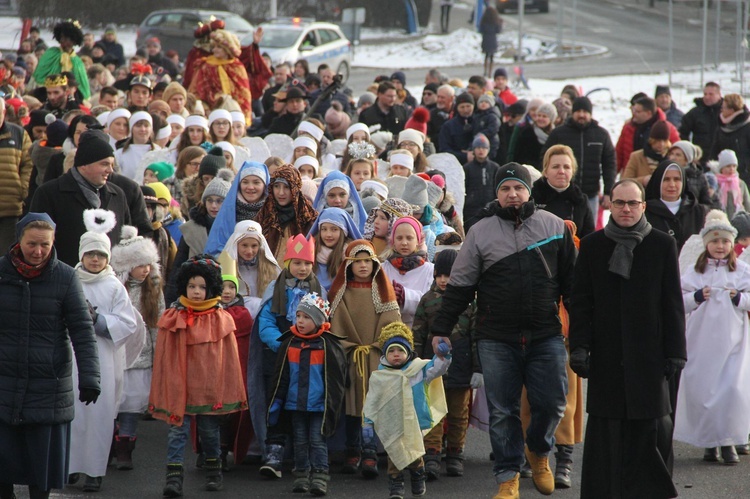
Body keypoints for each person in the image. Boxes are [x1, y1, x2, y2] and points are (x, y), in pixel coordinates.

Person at [432, 163, 576, 498]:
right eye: (505, 189)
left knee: (553, 403)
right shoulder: (480, 231)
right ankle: (508, 476)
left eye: (518, 188)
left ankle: (538, 453)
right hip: (497, 337)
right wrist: (441, 328)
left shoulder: (554, 226)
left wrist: (582, 334)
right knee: (502, 411)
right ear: (496, 194)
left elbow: (573, 287)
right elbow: (460, 287)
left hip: (545, 335)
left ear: (529, 191)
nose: (512, 195)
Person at [569, 178, 687, 499]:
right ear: (609, 205)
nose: (626, 209)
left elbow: (672, 302)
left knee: (652, 431)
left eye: (632, 203)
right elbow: (581, 301)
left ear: (643, 206)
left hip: (651, 356)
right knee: (607, 434)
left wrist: (676, 351)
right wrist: (579, 346)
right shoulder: (593, 245)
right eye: (619, 203)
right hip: (607, 355)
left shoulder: (662, 244)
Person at [0, 213, 100, 499]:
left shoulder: (66, 277)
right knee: (2, 466)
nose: (38, 251)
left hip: (48, 385)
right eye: (32, 244)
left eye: (45, 244)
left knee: (41, 473)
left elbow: (82, 329)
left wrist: (91, 377)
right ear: (18, 240)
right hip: (4, 382)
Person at [149, 254, 248, 497]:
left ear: (211, 288)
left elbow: (228, 360)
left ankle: (214, 471)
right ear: (183, 286)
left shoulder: (220, 317)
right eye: (191, 286)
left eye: (202, 287)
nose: (196, 291)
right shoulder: (174, 316)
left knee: (209, 433)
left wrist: (222, 389)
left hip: (207, 388)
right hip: (179, 387)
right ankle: (174, 479)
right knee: (176, 433)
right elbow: (164, 355)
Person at [68, 210, 143, 492]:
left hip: (102, 358)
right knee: (72, 413)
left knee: (98, 416)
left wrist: (99, 321)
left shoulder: (113, 286)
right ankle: (71, 465)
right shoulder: (69, 281)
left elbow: (128, 322)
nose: (95, 259)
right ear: (82, 255)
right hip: (72, 357)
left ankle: (95, 470)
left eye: (100, 254)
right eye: (90, 254)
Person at [675, 210, 750, 464]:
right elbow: (678, 301)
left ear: (732, 244)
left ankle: (728, 440)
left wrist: (739, 298)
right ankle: (709, 443)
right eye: (715, 241)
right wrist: (696, 297)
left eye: (725, 241)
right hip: (703, 340)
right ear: (707, 244)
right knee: (705, 392)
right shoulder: (696, 272)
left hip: (733, 341)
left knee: (732, 390)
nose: (720, 246)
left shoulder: (741, 270)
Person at [327, 239, 401, 476]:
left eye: (366, 261)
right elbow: (334, 327)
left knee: (371, 409)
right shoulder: (341, 294)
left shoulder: (382, 290)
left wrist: (381, 348)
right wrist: (347, 347)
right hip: (350, 357)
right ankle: (352, 451)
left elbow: (393, 325)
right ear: (348, 265)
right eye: (356, 261)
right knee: (351, 409)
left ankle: (370, 452)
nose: (362, 266)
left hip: (376, 358)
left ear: (374, 263)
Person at [252, 235, 322, 480]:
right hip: (280, 358)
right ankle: (274, 453)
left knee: (303, 404)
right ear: (287, 262)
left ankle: (301, 455)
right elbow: (267, 321)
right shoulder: (276, 287)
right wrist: (280, 343)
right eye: (297, 263)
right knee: (278, 403)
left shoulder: (318, 289)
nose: (302, 268)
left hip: (307, 358)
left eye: (307, 264)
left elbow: (325, 321)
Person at [267, 293, 347, 496]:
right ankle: (301, 475)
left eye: (307, 317)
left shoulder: (328, 345)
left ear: (319, 320)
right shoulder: (290, 343)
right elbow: (281, 376)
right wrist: (277, 399)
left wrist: (332, 404)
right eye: (299, 316)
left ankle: (320, 476)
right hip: (295, 404)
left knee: (317, 440)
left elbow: (337, 380)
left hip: (319, 405)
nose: (300, 321)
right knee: (300, 440)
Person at [363, 322, 451, 499]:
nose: (396, 355)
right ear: (385, 354)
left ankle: (418, 473)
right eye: (392, 351)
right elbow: (371, 400)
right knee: (393, 453)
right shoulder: (380, 377)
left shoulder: (418, 370)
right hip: (391, 423)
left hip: (414, 420)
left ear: (409, 352)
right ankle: (396, 485)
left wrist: (443, 356)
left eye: (401, 351)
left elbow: (437, 369)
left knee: (413, 452)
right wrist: (367, 423)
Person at [413, 248, 478, 480]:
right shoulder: (427, 300)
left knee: (459, 413)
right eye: (440, 275)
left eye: (449, 275)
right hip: (432, 368)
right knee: (433, 411)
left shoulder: (469, 302)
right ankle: (432, 454)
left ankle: (455, 454)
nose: (444, 280)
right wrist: (416, 363)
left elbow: (475, 336)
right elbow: (418, 334)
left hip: (461, 365)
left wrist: (477, 368)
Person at [30, 129, 131, 266]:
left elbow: (124, 239)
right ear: (84, 165)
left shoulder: (117, 195)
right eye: (104, 164)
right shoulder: (49, 193)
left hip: (108, 281)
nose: (110, 170)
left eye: (111, 164)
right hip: (64, 279)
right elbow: (38, 240)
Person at [110, 225, 164, 471]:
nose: (147, 269)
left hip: (141, 359)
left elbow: (157, 324)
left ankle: (125, 450)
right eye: (142, 264)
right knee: (112, 405)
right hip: (116, 356)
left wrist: (158, 355)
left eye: (149, 264)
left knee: (132, 406)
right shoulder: (114, 288)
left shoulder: (152, 288)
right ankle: (109, 442)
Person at [542, 96, 616, 217]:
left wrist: (608, 192)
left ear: (590, 114)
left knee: (588, 231)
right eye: (578, 111)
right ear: (572, 113)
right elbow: (545, 159)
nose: (581, 115)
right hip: (562, 193)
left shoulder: (601, 135)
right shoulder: (559, 133)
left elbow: (610, 164)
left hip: (590, 195)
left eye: (585, 112)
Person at [205, 161, 270, 257]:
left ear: (264, 186)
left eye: (256, 182)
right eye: (245, 182)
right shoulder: (228, 211)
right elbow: (215, 247)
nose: (250, 187)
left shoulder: (272, 213)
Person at [255, 165, 318, 262]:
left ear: (294, 188)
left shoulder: (308, 218)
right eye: (277, 186)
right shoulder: (264, 215)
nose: (281, 193)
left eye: (286, 187)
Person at [381, 216, 435, 327]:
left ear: (418, 240)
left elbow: (432, 302)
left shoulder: (430, 270)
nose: (404, 243)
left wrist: (405, 296)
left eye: (409, 238)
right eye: (399, 238)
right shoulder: (382, 268)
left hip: (419, 332)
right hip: (387, 330)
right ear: (393, 241)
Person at [532, 144, 595, 239]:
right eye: (555, 167)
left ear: (573, 171)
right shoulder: (533, 198)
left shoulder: (581, 201)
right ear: (545, 171)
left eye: (566, 167)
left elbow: (589, 237)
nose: (561, 171)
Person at [645, 161, 707, 251]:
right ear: (658, 181)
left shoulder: (698, 211)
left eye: (677, 179)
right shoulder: (645, 211)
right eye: (666, 179)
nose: (672, 185)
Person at [0, 97, 33, 250]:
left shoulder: (19, 134)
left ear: (4, 112)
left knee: (7, 254)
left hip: (11, 207)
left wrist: (23, 189)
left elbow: (29, 163)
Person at [616, 96, 679, 174]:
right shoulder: (628, 128)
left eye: (638, 112)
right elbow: (618, 154)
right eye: (633, 110)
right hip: (630, 176)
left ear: (648, 113)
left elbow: (677, 151)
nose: (633, 114)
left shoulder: (668, 129)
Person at [33, 20, 90, 100]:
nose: (63, 40)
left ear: (73, 41)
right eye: (62, 37)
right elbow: (40, 74)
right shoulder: (51, 53)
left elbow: (82, 84)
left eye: (67, 38)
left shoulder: (78, 61)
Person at [710, 94, 750, 184]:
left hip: (745, 176)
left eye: (723, 107)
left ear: (731, 110)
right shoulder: (721, 127)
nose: (721, 110)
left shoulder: (747, 127)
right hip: (723, 177)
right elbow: (714, 151)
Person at [680, 82, 723, 165]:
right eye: (705, 94)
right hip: (700, 159)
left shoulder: (725, 111)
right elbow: (682, 133)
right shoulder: (695, 113)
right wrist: (690, 153)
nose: (707, 97)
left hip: (722, 160)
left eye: (711, 94)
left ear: (719, 95)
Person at [622, 120, 672, 187]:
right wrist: (643, 180)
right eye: (658, 140)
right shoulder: (637, 156)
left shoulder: (671, 157)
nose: (661, 144)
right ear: (652, 140)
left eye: (664, 141)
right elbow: (625, 181)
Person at [711, 149, 750, 219]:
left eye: (734, 166)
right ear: (722, 168)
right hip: (721, 219)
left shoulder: (741, 183)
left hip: (739, 219)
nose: (731, 169)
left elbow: (747, 203)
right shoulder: (715, 183)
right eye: (728, 166)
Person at [479, 6, 503, 78]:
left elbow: (480, 30)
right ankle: (490, 72)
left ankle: (485, 71)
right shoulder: (495, 22)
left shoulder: (484, 21)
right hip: (493, 40)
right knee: (492, 57)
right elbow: (498, 31)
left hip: (485, 39)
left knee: (486, 56)